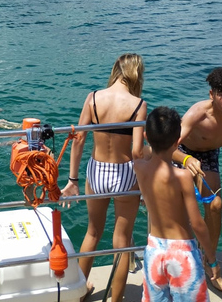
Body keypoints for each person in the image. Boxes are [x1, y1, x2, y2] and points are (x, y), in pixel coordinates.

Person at [60, 53, 148, 302]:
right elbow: (137, 151)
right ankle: (116, 298)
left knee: (92, 233)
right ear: (136, 73)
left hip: (96, 170)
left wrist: (72, 180)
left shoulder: (93, 97)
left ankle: (78, 293)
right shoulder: (138, 104)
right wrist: (142, 186)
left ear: (116, 70)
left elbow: (79, 139)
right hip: (123, 172)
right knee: (121, 241)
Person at [171, 67, 222, 292]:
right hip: (182, 151)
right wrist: (186, 158)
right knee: (178, 209)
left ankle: (210, 260)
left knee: (215, 206)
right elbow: (168, 146)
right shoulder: (197, 113)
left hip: (208, 156)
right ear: (212, 95)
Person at [134, 106, 215, 302]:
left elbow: (141, 151)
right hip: (182, 254)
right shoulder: (182, 176)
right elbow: (197, 224)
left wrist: (150, 140)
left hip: (154, 251)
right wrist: (212, 259)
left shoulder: (139, 167)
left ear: (146, 136)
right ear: (178, 141)